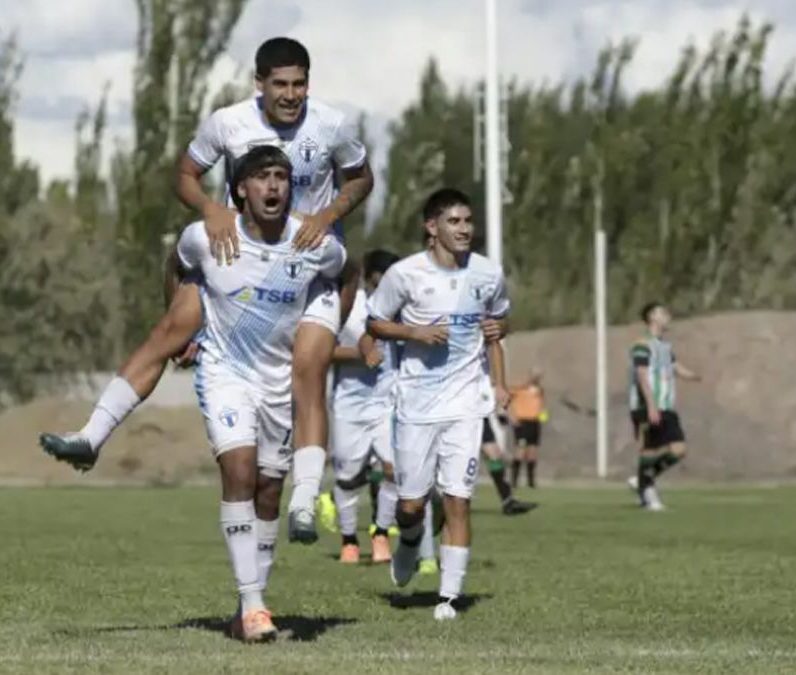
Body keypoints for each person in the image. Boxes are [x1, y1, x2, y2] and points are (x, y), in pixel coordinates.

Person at [40, 37, 374, 544]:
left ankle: (304, 500)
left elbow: (361, 178)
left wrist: (328, 217)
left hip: (307, 269)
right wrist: (210, 208)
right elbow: (185, 174)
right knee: (169, 330)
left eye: (300, 84)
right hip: (235, 255)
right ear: (258, 84)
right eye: (280, 84)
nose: (290, 94)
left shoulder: (332, 124)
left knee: (308, 368)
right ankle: (91, 437)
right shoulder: (228, 122)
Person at [47, 147, 344, 642]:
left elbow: (345, 272)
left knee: (269, 490)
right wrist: (183, 320)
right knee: (240, 472)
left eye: (281, 178)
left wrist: (323, 325)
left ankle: (252, 603)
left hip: (277, 376)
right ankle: (253, 608)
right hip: (224, 369)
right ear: (240, 189)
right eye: (261, 178)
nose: (273, 187)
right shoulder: (205, 238)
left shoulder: (313, 243)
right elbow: (176, 264)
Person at [368, 188, 511, 621]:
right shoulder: (404, 274)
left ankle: (448, 598)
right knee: (410, 505)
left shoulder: (488, 274)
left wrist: (500, 383)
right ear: (432, 228)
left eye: (468, 221)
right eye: (454, 221)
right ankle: (410, 540)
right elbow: (374, 322)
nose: (464, 229)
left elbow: (498, 326)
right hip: (415, 406)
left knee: (458, 500)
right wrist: (414, 334)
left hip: (466, 404)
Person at [328, 249, 401, 564]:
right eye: (381, 276)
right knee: (348, 476)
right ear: (369, 277)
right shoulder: (349, 306)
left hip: (387, 401)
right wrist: (359, 355)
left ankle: (381, 533)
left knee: (393, 469)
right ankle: (349, 541)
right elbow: (324, 350)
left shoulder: (404, 307)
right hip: (350, 403)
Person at [626, 302, 701, 511]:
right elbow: (642, 375)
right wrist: (650, 405)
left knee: (679, 450)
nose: (668, 316)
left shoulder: (666, 348)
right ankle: (648, 494)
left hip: (666, 406)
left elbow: (676, 368)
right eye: (662, 313)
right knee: (649, 450)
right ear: (652, 318)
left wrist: (696, 376)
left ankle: (642, 481)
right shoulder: (642, 344)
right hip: (646, 406)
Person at [480, 415, 538, 514]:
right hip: (460, 416)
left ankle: (508, 501)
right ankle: (449, 500)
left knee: (494, 455)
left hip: (480, 417)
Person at [508, 369, 545, 489]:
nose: (537, 377)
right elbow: (507, 401)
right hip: (522, 422)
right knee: (520, 451)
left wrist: (542, 415)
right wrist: (512, 417)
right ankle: (514, 480)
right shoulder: (520, 389)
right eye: (535, 374)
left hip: (534, 422)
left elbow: (542, 407)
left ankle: (531, 482)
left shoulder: (540, 391)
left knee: (532, 452)